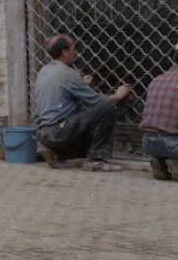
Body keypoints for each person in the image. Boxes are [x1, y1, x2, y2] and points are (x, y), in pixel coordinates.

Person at [32, 33, 132, 172]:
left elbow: (62, 92)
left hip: (43, 134)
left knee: (86, 123)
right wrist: (118, 95)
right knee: (107, 109)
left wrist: (81, 85)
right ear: (65, 52)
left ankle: (58, 155)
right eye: (73, 48)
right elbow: (97, 102)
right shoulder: (69, 74)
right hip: (58, 132)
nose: (76, 52)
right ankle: (95, 160)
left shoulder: (44, 70)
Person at [140, 43, 178, 182]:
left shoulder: (156, 79)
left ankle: (160, 162)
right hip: (173, 144)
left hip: (148, 142)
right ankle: (175, 162)